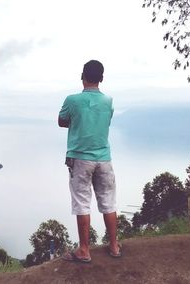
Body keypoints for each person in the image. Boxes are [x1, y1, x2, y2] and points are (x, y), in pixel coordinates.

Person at [58, 60, 121, 263]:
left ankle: (84, 250)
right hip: (104, 158)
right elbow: (105, 121)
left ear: (82, 76)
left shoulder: (72, 100)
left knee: (82, 203)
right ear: (101, 78)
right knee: (108, 202)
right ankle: (114, 246)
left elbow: (61, 121)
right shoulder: (108, 101)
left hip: (80, 159)